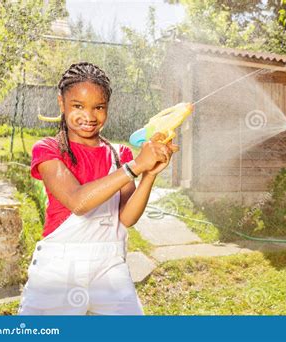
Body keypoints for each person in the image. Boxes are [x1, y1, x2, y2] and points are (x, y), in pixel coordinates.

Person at [18, 62, 178, 315]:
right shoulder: (48, 149)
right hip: (58, 270)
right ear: (62, 103)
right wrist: (136, 166)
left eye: (99, 107)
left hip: (109, 267)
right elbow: (77, 202)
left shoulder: (119, 154)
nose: (89, 116)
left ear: (107, 108)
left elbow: (126, 218)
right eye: (78, 106)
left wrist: (149, 174)